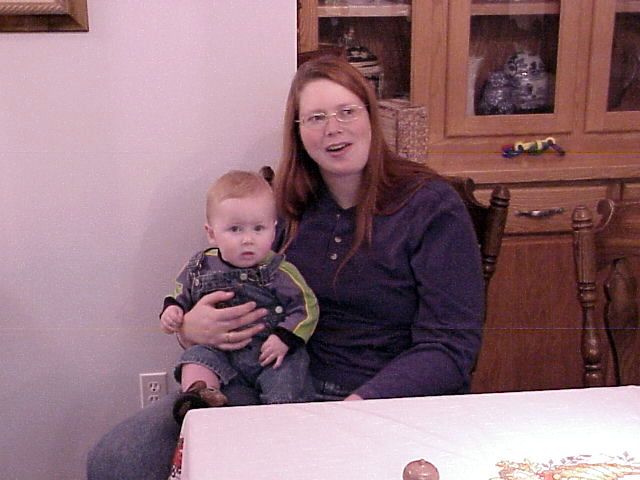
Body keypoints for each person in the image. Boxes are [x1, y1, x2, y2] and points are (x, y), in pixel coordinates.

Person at [87, 55, 484, 480]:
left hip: (386, 400)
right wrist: (191, 328)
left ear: (371, 116)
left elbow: (451, 348)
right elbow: (227, 288)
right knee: (117, 461)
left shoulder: (431, 206)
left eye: (347, 111)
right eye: (316, 118)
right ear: (298, 133)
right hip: (275, 384)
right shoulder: (280, 208)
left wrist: (354, 408)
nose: (333, 128)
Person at [160, 170, 318, 423]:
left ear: (273, 230)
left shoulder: (281, 272)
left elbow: (307, 308)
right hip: (220, 353)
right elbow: (180, 291)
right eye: (235, 229)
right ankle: (199, 398)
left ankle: (282, 418)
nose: (248, 239)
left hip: (269, 354)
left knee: (287, 375)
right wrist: (173, 311)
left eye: (259, 229)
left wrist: (285, 338)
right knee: (195, 358)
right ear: (212, 233)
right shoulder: (200, 266)